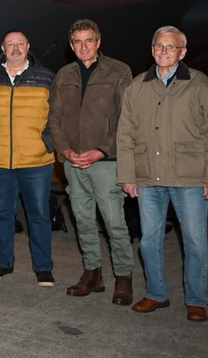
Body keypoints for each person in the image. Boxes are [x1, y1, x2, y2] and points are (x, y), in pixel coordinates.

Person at [116, 26, 208, 322]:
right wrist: (128, 175)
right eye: (159, 47)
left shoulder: (199, 84)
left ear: (182, 52)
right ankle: (156, 294)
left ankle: (196, 299)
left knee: (194, 241)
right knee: (148, 241)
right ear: (152, 50)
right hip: (148, 177)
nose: (164, 52)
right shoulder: (137, 86)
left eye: (170, 47)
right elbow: (125, 135)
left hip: (189, 177)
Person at [49, 19, 135, 305]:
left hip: (105, 161)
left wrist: (102, 150)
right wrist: (65, 151)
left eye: (88, 40)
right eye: (77, 42)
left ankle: (123, 276)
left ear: (98, 42)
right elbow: (55, 119)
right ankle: (92, 274)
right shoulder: (63, 74)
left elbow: (127, 119)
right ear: (71, 46)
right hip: (73, 162)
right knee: (83, 220)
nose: (83, 46)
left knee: (113, 222)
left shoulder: (119, 71)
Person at [0, 30, 57, 286]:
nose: (16, 48)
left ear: (28, 46)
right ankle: (3, 263)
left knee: (39, 215)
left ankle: (43, 267)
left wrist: (49, 142)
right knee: (1, 213)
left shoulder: (46, 77)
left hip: (37, 160)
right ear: (3, 48)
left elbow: (57, 116)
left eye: (20, 44)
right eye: (11, 44)